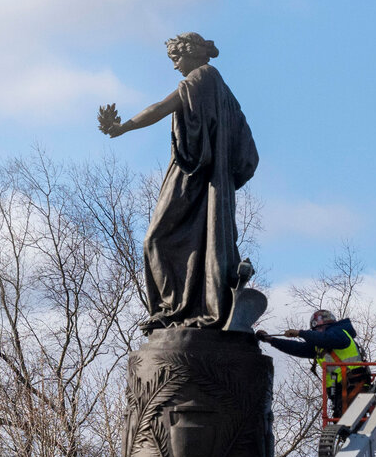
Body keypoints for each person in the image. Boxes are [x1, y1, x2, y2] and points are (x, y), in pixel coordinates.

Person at [99, 32, 258, 331]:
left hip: (196, 177)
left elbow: (161, 107)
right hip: (202, 177)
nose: (174, 67)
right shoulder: (219, 88)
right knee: (187, 242)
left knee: (155, 239)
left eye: (176, 58)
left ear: (194, 54)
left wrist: (124, 128)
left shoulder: (204, 78)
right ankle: (181, 308)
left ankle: (173, 308)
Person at [257, 310, 370, 418]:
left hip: (354, 383)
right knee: (346, 425)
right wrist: (271, 340)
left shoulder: (339, 333)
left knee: (352, 422)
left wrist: (300, 333)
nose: (315, 333)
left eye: (317, 330)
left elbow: (326, 339)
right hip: (340, 389)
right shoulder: (322, 345)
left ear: (323, 326)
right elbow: (297, 348)